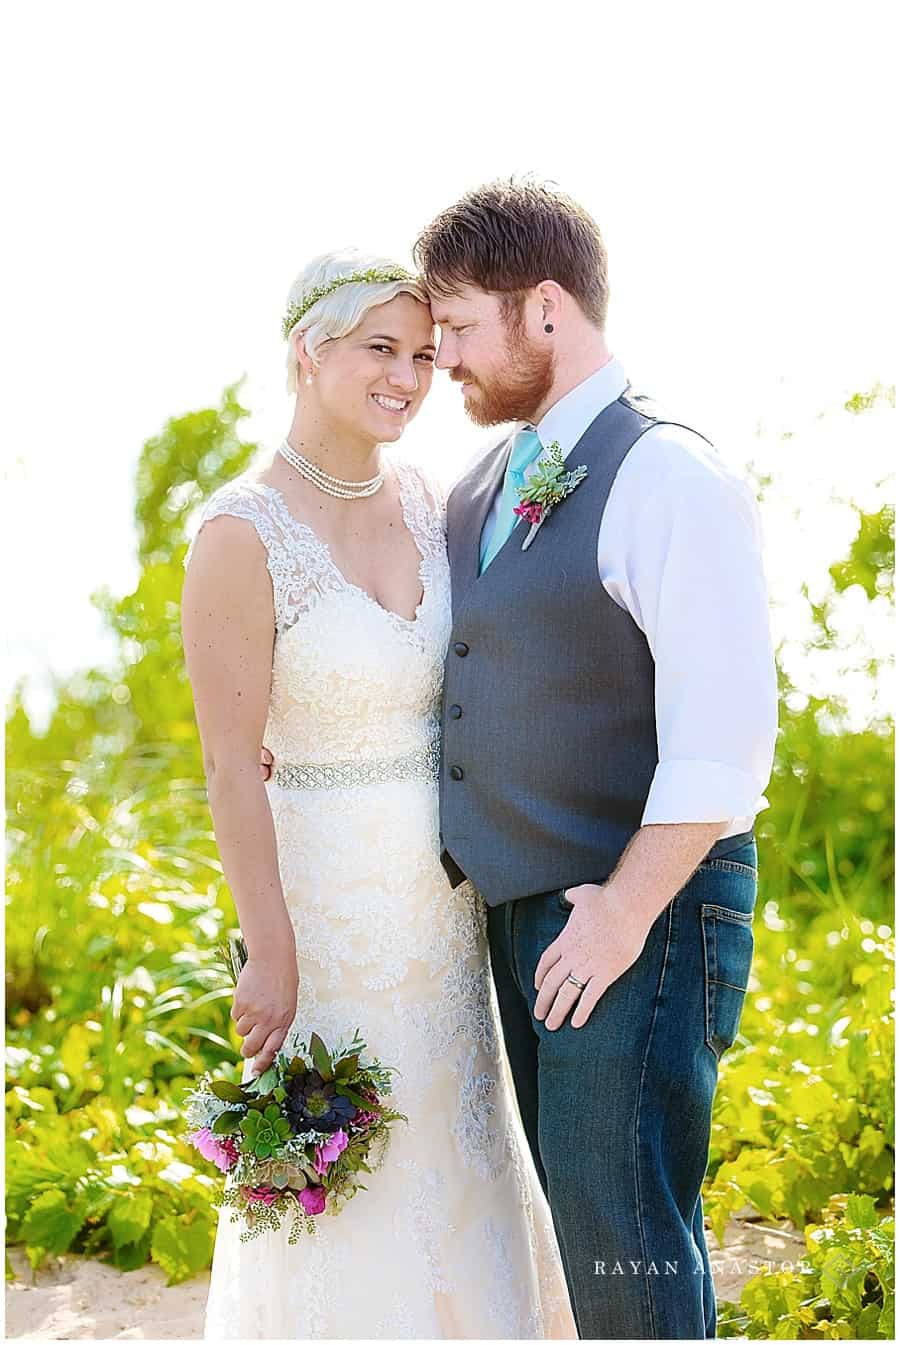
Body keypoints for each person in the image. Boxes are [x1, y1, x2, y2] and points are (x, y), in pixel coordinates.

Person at [181, 248, 576, 1340]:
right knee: (346, 1157)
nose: (408, 375)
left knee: (458, 1133)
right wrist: (270, 945)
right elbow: (229, 764)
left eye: (421, 352)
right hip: (325, 907)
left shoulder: (426, 498)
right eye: (378, 350)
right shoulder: (237, 534)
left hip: (446, 903)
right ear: (307, 353)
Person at [411, 179, 779, 1340]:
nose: (444, 360)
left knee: (627, 1241)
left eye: (462, 327)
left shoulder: (671, 474)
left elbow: (726, 741)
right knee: (589, 1240)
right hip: (526, 913)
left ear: (549, 309)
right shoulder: (477, 489)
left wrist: (622, 915)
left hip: (646, 909)